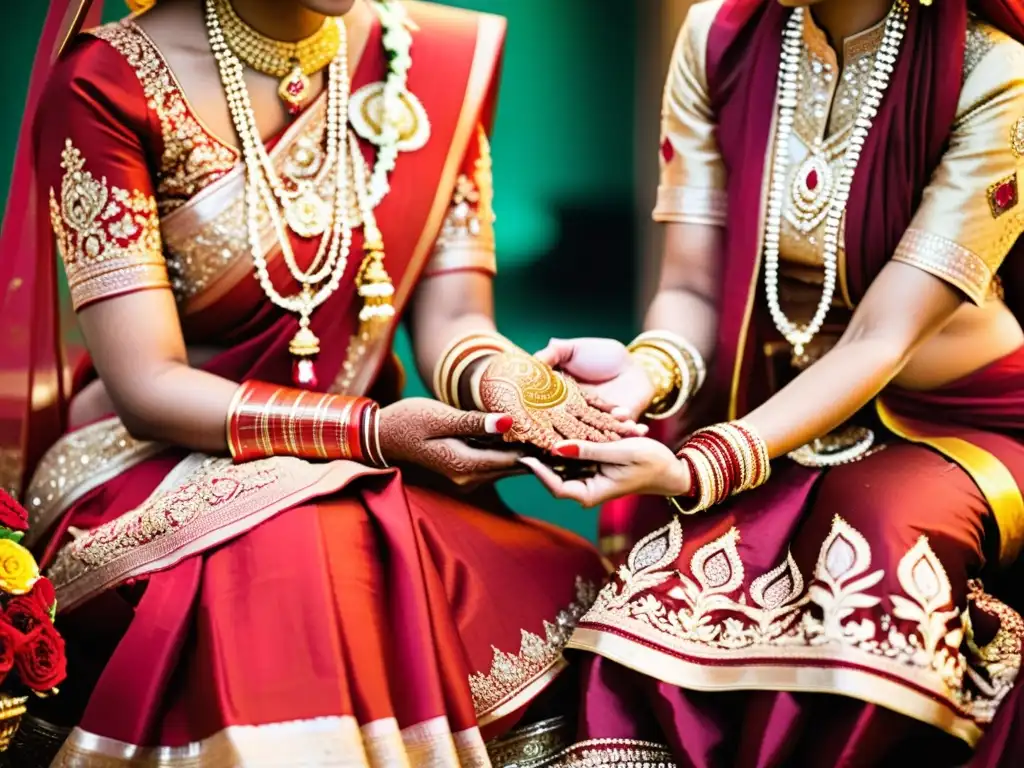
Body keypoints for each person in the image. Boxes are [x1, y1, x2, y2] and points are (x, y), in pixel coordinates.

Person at [0, 0, 640, 764]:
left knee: (572, 592)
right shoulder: (107, 83)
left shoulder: (434, 62)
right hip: (152, 458)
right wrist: (372, 433)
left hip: (363, 460)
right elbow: (148, 388)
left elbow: (455, 321)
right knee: (306, 559)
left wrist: (512, 384)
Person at [519, 0, 1024, 764]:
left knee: (878, 550)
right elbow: (691, 288)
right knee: (660, 585)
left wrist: (701, 465)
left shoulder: (994, 73)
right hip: (760, 400)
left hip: (956, 419)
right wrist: (644, 375)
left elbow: (880, 336)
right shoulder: (720, 39)